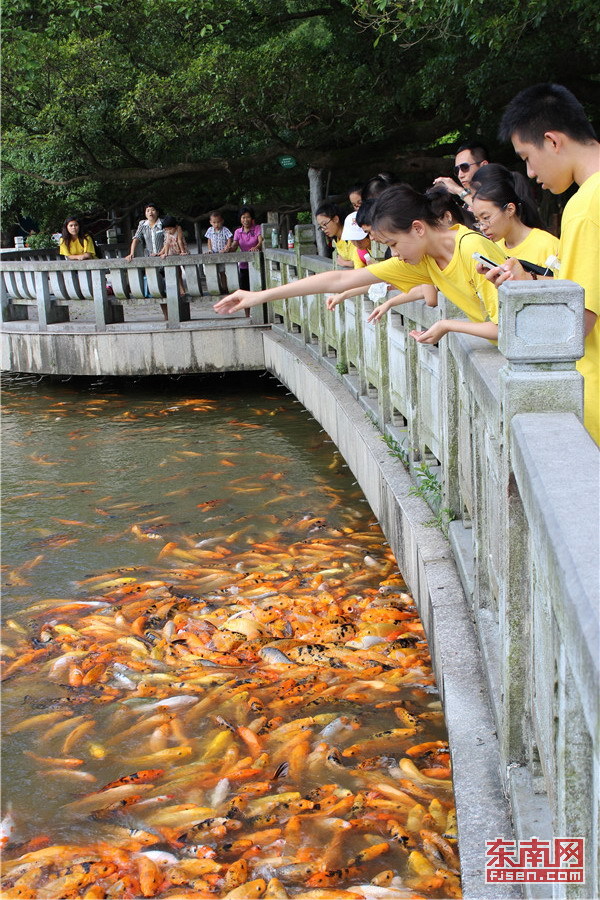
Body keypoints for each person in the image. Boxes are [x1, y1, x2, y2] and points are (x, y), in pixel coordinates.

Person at [215, 184, 505, 347]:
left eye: (392, 244)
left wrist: (445, 324)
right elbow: (339, 281)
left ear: (418, 228)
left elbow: (503, 328)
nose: (394, 254)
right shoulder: (424, 258)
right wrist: (259, 296)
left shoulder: (470, 249)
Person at [483, 83, 599, 444]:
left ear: (552, 140)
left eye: (527, 157)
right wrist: (533, 286)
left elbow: (577, 322)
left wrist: (522, 302)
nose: (530, 173)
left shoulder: (586, 208)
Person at [470, 163, 559, 265]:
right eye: (478, 221)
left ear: (510, 210)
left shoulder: (547, 245)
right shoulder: (494, 249)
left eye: (486, 218)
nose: (482, 228)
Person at [433, 141, 490, 207]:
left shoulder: (500, 189)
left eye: (465, 167)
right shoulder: (467, 203)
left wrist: (458, 190)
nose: (460, 175)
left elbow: (485, 209)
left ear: (484, 166)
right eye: (457, 170)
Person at [314, 202, 354, 269]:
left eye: (324, 224)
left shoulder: (353, 236)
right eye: (320, 227)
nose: (323, 229)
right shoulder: (337, 240)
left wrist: (345, 263)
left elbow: (362, 260)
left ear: (336, 219)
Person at [205, 210, 234, 294]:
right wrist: (210, 250)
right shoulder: (210, 230)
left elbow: (229, 238)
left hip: (222, 253)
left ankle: (225, 287)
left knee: (222, 272)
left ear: (222, 221)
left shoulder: (225, 230)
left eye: (218, 222)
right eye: (214, 222)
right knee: (214, 272)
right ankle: (217, 288)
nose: (216, 224)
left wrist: (227, 247)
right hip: (214, 253)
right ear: (210, 222)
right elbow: (209, 240)